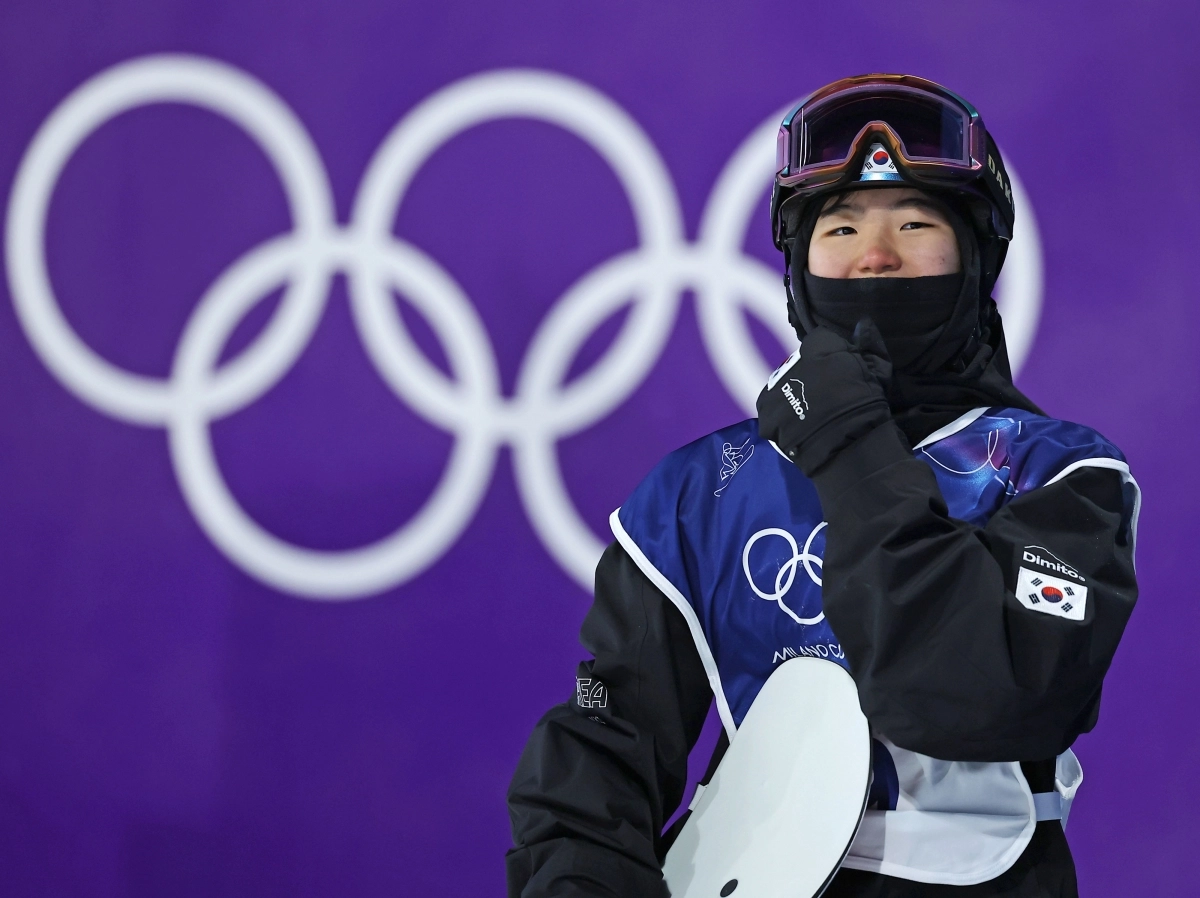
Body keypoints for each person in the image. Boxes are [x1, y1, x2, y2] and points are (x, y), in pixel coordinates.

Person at [505, 74, 1139, 898]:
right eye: (839, 227)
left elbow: (983, 697)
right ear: (798, 266)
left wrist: (848, 442)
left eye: (915, 223)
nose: (875, 255)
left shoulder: (1061, 476)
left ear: (977, 257)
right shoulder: (700, 492)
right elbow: (602, 742)